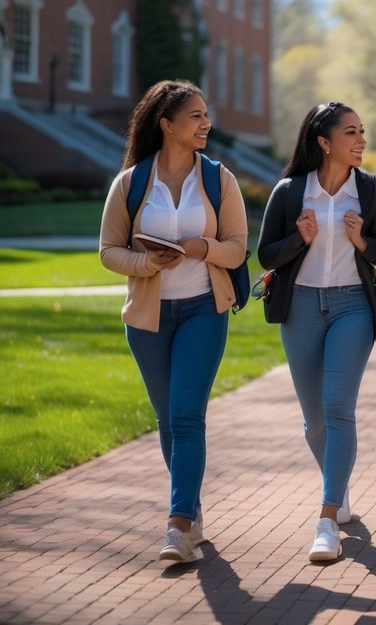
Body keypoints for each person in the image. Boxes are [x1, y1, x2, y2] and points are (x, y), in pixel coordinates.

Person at [99, 80, 248, 564]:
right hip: (149, 317)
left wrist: (203, 249)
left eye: (206, 115)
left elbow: (238, 248)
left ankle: (178, 525)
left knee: (186, 415)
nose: (206, 124)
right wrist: (148, 265)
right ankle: (192, 511)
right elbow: (108, 251)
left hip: (204, 308)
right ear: (167, 124)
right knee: (167, 421)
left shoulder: (218, 179)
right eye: (196, 116)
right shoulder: (132, 182)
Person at [256, 102, 376, 563]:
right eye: (351, 131)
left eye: (362, 131)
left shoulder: (369, 192)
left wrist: (361, 242)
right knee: (315, 420)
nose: (361, 139)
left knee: (338, 407)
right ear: (324, 141)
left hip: (353, 305)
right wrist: (299, 238)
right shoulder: (291, 192)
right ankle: (340, 484)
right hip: (302, 309)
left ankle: (327, 518)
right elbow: (265, 257)